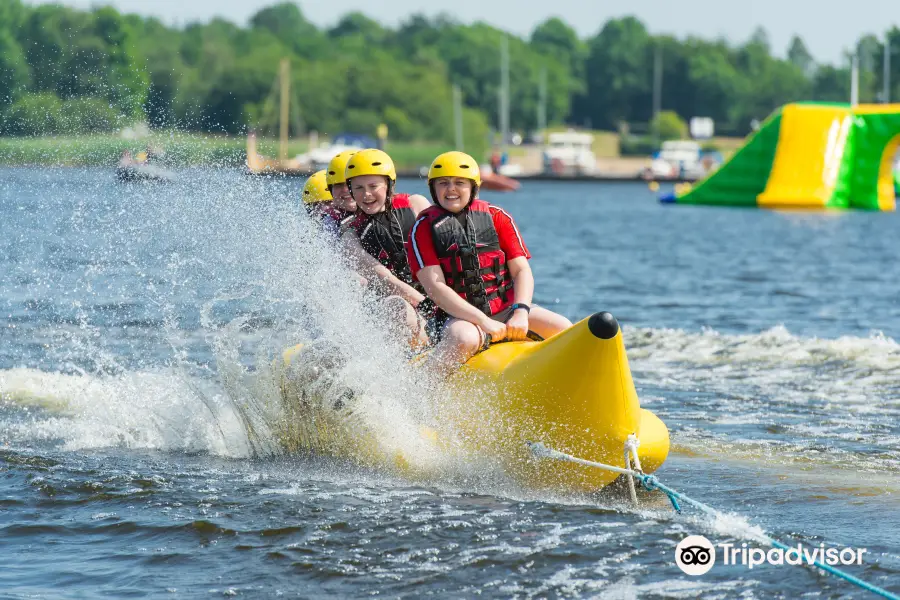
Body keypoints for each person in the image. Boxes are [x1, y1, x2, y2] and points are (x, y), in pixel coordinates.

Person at [407, 151, 572, 374]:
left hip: (506, 310)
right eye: (443, 183)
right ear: (433, 189)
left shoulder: (497, 217)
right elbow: (435, 288)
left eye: (459, 183)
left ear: (474, 187)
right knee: (462, 338)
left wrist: (521, 312)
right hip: (459, 318)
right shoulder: (423, 228)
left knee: (564, 329)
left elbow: (521, 270)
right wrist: (484, 322)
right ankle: (419, 392)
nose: (451, 189)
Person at [339, 149, 434, 347]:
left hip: (433, 293)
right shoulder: (350, 233)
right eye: (358, 188)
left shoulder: (415, 204)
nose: (366, 194)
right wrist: (427, 305)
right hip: (389, 303)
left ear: (389, 184)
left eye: (373, 186)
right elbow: (385, 277)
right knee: (398, 309)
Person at [319, 150, 358, 235]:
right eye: (338, 185)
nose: (345, 189)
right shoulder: (329, 222)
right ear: (330, 190)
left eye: (350, 184)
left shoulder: (391, 213)